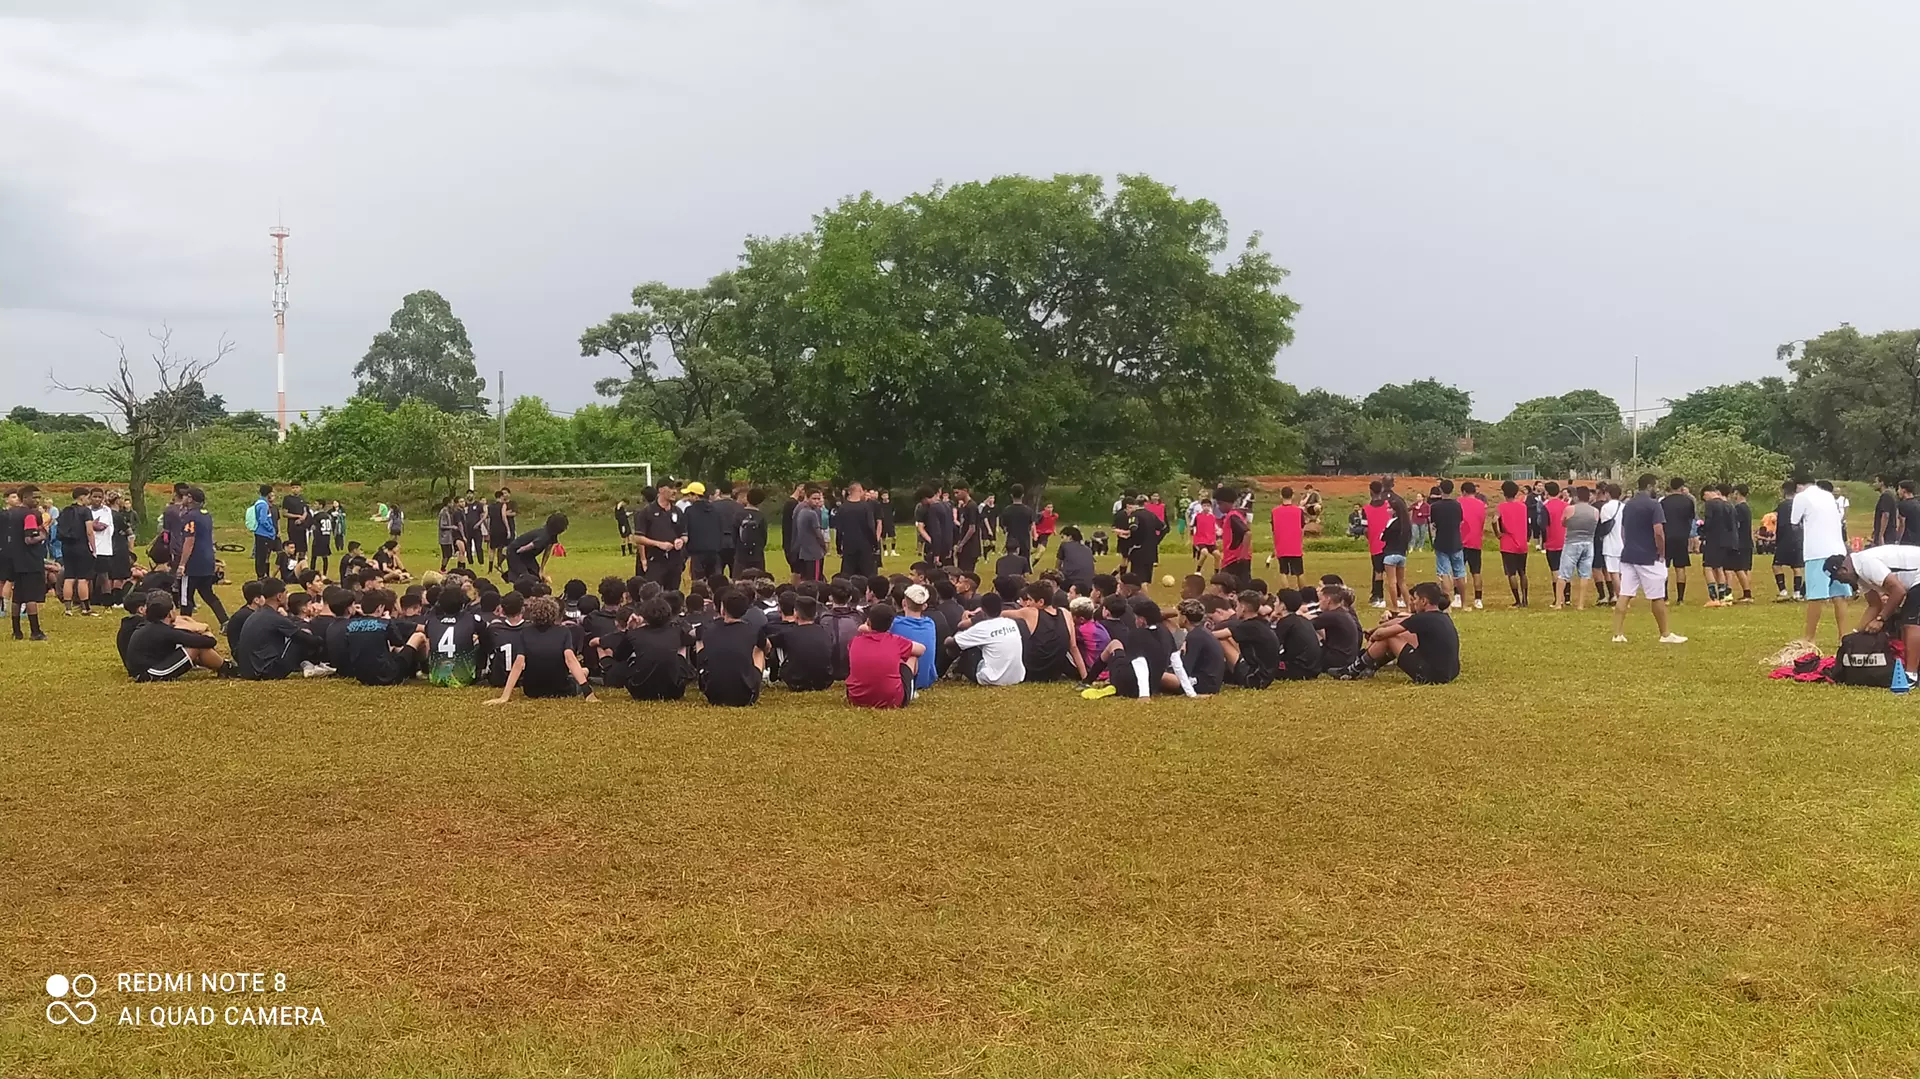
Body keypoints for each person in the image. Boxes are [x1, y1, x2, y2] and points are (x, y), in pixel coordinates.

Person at [1612, 473, 1686, 645]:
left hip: (1629, 555)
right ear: (1650, 486)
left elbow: (1623, 531)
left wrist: (1629, 545)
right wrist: (1661, 552)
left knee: (1625, 594)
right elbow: (1658, 531)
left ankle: (1617, 634)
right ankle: (1665, 634)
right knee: (1657, 596)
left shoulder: (1628, 505)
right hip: (1648, 556)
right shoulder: (1654, 505)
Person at [1827, 546, 1920, 681]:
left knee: (1910, 622)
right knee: (1904, 621)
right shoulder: (1859, 575)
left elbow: (1899, 591)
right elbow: (1874, 605)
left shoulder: (1865, 564)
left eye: (1839, 578)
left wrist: (1881, 619)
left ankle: (1911, 675)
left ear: (1843, 569)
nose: (1841, 582)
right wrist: (1855, 634)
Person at [1340, 582, 1459, 684]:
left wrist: (1374, 634)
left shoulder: (1422, 618)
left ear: (1423, 601)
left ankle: (1353, 669)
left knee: (1389, 637)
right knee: (1401, 635)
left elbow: (1382, 635)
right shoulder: (1443, 617)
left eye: (1415, 599)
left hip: (1431, 676)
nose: (1413, 603)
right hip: (1450, 673)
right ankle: (1369, 667)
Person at [488, 595, 596, 702]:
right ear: (555, 613)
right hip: (561, 689)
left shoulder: (525, 633)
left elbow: (518, 664)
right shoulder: (563, 632)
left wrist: (505, 696)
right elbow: (570, 659)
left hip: (532, 690)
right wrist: (587, 692)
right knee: (584, 671)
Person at [1792, 476, 1851, 651]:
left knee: (1816, 596)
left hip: (1817, 551)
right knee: (1839, 595)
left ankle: (1809, 638)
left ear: (1799, 485)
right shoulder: (1828, 496)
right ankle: (1843, 636)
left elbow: (1794, 522)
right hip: (1838, 550)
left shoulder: (1801, 496)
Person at [125, 592, 232, 681]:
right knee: (194, 648)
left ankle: (226, 667)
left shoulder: (151, 627)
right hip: (148, 674)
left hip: (142, 671)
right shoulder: (165, 631)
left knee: (193, 645)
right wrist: (206, 632)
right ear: (169, 614)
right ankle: (228, 668)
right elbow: (209, 642)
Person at [236, 577, 325, 680]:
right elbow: (300, 637)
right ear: (279, 596)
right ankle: (319, 664)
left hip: (249, 671)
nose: (287, 597)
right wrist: (322, 641)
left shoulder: (258, 614)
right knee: (301, 638)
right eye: (286, 593)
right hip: (266, 672)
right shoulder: (274, 617)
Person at [845, 602, 925, 708]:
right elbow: (921, 649)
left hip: (856, 698)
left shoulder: (854, 641)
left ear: (868, 621)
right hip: (892, 700)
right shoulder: (896, 641)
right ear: (891, 625)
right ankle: (911, 690)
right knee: (912, 655)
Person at [696, 589, 766, 706]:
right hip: (746, 696)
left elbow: (695, 636)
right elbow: (766, 646)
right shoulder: (753, 630)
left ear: (722, 609)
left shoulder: (709, 629)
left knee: (700, 642)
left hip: (713, 694)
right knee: (759, 650)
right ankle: (755, 682)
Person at [174, 487, 230, 628]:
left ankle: (185, 625)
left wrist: (182, 564)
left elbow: (189, 541)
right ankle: (224, 620)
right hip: (207, 560)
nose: (184, 498)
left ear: (191, 498)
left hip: (193, 562)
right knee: (207, 593)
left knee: (186, 596)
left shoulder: (190, 516)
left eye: (186, 496)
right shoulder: (206, 515)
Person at [2, 484, 49, 640]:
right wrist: (43, 534)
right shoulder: (30, 515)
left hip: (13, 559)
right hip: (29, 560)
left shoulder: (10, 513)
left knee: (18, 597)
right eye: (34, 497)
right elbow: (29, 539)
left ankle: (16, 631)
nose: (37, 500)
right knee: (31, 596)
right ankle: (35, 631)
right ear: (25, 498)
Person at [949, 592, 1025, 686]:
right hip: (1016, 677)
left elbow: (951, 643)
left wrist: (953, 633)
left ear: (983, 610)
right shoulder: (1011, 623)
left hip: (991, 679)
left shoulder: (982, 627)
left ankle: (953, 672)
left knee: (965, 643)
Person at [769, 594, 835, 691]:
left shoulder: (788, 634)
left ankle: (775, 676)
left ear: (796, 613)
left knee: (777, 646)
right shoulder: (825, 632)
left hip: (796, 682)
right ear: (815, 613)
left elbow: (767, 643)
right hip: (825, 681)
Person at [424, 585, 483, 687]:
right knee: (479, 640)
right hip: (464, 677)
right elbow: (486, 635)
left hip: (436, 677)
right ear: (462, 603)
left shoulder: (431, 621)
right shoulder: (471, 619)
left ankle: (427, 669)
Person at [889, 584, 942, 692]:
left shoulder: (895, 624)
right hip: (927, 679)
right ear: (924, 606)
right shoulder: (930, 624)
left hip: (904, 678)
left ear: (904, 603)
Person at [1556, 486, 1599, 611]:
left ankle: (1559, 602)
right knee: (1585, 574)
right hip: (1588, 543)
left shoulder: (1570, 509)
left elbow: (1563, 523)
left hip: (1572, 543)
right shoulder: (1595, 511)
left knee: (1564, 573)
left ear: (1576, 497)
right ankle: (1581, 604)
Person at [635, 483, 686, 587]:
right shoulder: (647, 512)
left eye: (675, 488)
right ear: (661, 490)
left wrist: (681, 540)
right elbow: (638, 538)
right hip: (655, 561)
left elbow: (684, 535)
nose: (674, 491)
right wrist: (658, 544)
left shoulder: (678, 511)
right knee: (654, 594)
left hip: (675, 561)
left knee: (673, 595)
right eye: (671, 487)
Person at [57, 486, 97, 615]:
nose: (89, 500)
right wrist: (93, 548)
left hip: (67, 546)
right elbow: (89, 531)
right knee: (82, 578)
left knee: (69, 576)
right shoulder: (85, 511)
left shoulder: (65, 510)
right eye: (87, 497)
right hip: (81, 546)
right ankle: (85, 608)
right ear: (81, 497)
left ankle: (68, 609)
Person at [1698, 484, 1738, 607]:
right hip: (1726, 541)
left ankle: (1713, 597)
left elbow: (1709, 522)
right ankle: (1723, 597)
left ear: (1708, 493)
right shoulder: (1728, 505)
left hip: (1714, 540)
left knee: (1708, 567)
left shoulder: (1711, 504)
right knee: (1719, 568)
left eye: (1704, 497)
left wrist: (1702, 531)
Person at [1175, 599, 1224, 695]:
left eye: (1179, 615)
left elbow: (1185, 669)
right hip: (1211, 681)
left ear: (1185, 618)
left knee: (1161, 676)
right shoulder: (1202, 632)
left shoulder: (1194, 636)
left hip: (1204, 684)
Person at [1428, 481, 1465, 609]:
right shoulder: (1457, 505)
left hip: (1441, 541)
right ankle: (1464, 603)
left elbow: (1433, 524)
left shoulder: (1435, 507)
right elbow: (1460, 521)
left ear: (1440, 489)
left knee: (1444, 572)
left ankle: (1447, 604)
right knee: (1459, 572)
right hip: (1456, 540)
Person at [1311, 582, 1363, 673]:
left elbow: (1305, 625)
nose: (1319, 603)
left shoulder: (1331, 615)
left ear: (1328, 600)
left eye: (1320, 599)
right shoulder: (1342, 612)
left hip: (1337, 660)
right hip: (1347, 658)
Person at [1272, 588, 1322, 680]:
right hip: (1314, 668)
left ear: (1283, 606)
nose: (1274, 604)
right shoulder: (1303, 620)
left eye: (1276, 601)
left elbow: (1273, 646)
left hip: (1298, 669)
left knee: (1266, 666)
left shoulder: (1285, 622)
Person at [1494, 480, 1530, 608]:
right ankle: (1525, 599)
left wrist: (1498, 533)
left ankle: (1517, 600)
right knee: (1522, 572)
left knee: (1511, 573)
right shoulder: (1523, 506)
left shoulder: (1502, 507)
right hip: (1522, 543)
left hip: (1508, 543)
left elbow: (1494, 520)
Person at [506, 513, 570, 583]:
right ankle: (512, 577)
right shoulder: (544, 536)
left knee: (537, 576)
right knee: (525, 578)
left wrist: (541, 570)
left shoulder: (552, 536)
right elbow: (531, 545)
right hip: (515, 552)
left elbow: (547, 552)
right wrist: (519, 550)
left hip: (527, 556)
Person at [681, 481, 726, 581]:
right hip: (714, 552)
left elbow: (686, 530)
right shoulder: (715, 510)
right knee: (715, 582)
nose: (688, 498)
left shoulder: (689, 510)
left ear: (696, 496)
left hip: (697, 553)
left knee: (698, 583)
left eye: (689, 495)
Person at [836, 481, 881, 580]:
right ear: (860, 491)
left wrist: (838, 546)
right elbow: (870, 527)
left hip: (849, 545)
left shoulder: (842, 508)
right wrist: (875, 544)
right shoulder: (865, 507)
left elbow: (839, 530)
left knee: (848, 575)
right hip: (865, 546)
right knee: (867, 575)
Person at [1661, 478, 1695, 604]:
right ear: (1682, 487)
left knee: (1664, 567)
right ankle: (1680, 598)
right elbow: (1691, 519)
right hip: (1682, 537)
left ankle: (1664, 597)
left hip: (1667, 536)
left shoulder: (1664, 502)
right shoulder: (1688, 501)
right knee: (1680, 567)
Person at [1379, 477, 1411, 611]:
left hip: (1390, 554)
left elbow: (1383, 537)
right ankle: (1409, 605)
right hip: (1401, 555)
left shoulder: (1391, 522)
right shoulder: (1405, 524)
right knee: (1402, 582)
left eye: (1389, 508)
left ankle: (1395, 606)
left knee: (1391, 582)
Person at [1457, 480, 1488, 609]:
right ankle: (1478, 599)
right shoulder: (1481, 504)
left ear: (1463, 491)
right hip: (1476, 540)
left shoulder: (1458, 502)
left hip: (1460, 540)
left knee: (1458, 571)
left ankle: (1458, 597)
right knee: (1476, 571)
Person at [1267, 487, 1306, 591]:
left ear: (1281, 496)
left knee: (1283, 572)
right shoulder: (1299, 511)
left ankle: (1287, 593)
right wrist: (1300, 543)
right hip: (1295, 547)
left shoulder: (1275, 512)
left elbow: (1274, 530)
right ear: (1292, 496)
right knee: (1299, 572)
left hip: (1281, 546)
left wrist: (1275, 546)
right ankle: (1303, 593)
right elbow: (1302, 529)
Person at [1362, 482, 1391, 607]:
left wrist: (1371, 538)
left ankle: (1378, 597)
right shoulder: (1389, 506)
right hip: (1391, 543)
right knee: (1393, 572)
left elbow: (1365, 529)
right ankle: (1399, 596)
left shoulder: (1365, 509)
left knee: (1378, 571)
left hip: (1375, 544)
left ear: (1371, 491)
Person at [791, 486, 829, 581]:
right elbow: (818, 533)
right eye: (814, 498)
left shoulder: (800, 510)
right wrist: (824, 547)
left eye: (818, 499)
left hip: (804, 551)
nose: (817, 501)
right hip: (814, 553)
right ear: (807, 498)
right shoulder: (811, 513)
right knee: (815, 581)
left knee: (805, 579)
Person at [1728, 483, 1755, 604]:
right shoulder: (1746, 507)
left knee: (1738, 568)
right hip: (1747, 541)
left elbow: (1736, 525)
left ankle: (1747, 593)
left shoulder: (1739, 508)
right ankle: (1746, 592)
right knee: (1745, 568)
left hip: (1741, 542)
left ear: (1737, 493)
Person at [248, 484, 278, 580]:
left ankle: (262, 574)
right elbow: (263, 520)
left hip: (261, 533)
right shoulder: (263, 504)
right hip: (263, 533)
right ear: (269, 493)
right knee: (262, 556)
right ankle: (261, 575)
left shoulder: (259, 502)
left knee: (262, 555)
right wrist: (271, 528)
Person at [1190, 495, 1220, 574]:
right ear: (1201, 506)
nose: (1206, 507)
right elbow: (1191, 526)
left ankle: (1216, 573)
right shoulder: (1197, 516)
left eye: (1208, 506)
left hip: (1210, 541)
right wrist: (1192, 539)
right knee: (1204, 553)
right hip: (1200, 540)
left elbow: (1215, 527)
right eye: (1204, 506)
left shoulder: (1212, 517)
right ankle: (1198, 570)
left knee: (1217, 555)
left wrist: (1219, 532)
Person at [282, 482, 311, 561]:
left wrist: (303, 518)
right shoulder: (287, 499)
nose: (295, 489)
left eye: (297, 487)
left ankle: (301, 566)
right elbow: (284, 513)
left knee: (303, 549)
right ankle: (292, 565)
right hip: (293, 526)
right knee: (293, 547)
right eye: (293, 487)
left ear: (300, 488)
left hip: (302, 526)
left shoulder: (302, 498)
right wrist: (297, 516)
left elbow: (305, 510)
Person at [1872, 475, 1899, 547]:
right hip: (1890, 534)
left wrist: (1881, 535)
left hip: (1886, 536)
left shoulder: (1886, 496)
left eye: (1875, 482)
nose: (1873, 484)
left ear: (1882, 483)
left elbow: (1885, 515)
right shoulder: (1890, 496)